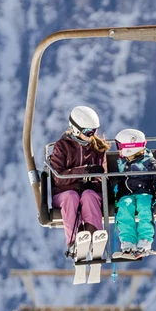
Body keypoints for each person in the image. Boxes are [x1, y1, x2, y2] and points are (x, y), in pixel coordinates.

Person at [49, 106, 109, 256]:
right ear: (76, 130)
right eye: (88, 132)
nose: (92, 135)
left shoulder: (98, 148)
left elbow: (103, 177)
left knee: (88, 196)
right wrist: (83, 172)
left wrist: (92, 182)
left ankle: (95, 237)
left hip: (90, 193)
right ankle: (74, 241)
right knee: (71, 197)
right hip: (63, 194)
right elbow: (58, 176)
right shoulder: (62, 147)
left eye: (94, 131)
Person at [113, 128, 156, 257]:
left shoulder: (148, 161)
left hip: (145, 193)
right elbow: (116, 175)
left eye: (119, 146)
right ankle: (128, 242)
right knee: (124, 207)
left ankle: (144, 241)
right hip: (127, 194)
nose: (118, 149)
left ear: (130, 147)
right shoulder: (121, 162)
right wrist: (114, 182)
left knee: (144, 207)